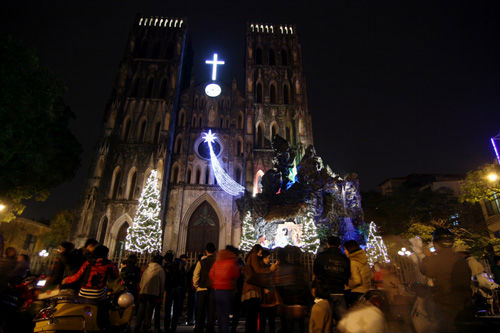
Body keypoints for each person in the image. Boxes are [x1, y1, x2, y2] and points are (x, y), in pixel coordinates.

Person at [420, 228, 472, 332]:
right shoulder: (459, 258)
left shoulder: (436, 259)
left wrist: (427, 255)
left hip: (446, 307)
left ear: (436, 243)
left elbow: (423, 269)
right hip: (464, 305)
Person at [273, 246, 311, 333]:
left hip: (287, 302)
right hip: (299, 302)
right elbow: (305, 284)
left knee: (288, 325)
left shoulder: (281, 269)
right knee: (300, 325)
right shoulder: (300, 269)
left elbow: (277, 285)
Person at [313, 236, 350, 324]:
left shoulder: (321, 257)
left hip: (324, 291)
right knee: (343, 321)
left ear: (328, 244)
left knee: (324, 320)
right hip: (339, 290)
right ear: (339, 245)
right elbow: (347, 274)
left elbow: (316, 272)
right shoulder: (344, 258)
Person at [241, 244, 275, 333]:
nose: (260, 254)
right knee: (252, 316)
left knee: (251, 316)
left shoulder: (249, 258)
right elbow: (258, 270)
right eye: (260, 252)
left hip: (249, 290)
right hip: (252, 290)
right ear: (258, 250)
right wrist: (270, 269)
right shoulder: (253, 256)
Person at [209, 247, 240, 333]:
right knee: (225, 314)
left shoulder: (217, 262)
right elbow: (236, 274)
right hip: (227, 290)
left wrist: (216, 282)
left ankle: (221, 329)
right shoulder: (231, 261)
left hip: (217, 290)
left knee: (220, 313)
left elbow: (211, 274)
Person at [135, 253, 166, 333]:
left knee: (141, 309)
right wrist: (161, 294)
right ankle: (147, 326)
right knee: (149, 310)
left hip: (143, 291)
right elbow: (162, 283)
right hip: (153, 292)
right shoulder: (160, 269)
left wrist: (141, 289)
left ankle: (137, 326)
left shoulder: (147, 268)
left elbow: (142, 280)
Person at [193, 242, 217, 333]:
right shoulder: (217, 262)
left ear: (206, 251)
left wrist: (196, 285)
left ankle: (199, 329)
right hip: (213, 289)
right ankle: (210, 329)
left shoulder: (201, 262)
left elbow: (196, 274)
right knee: (211, 312)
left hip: (202, 289)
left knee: (200, 312)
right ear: (214, 251)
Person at [343, 240, 373, 307]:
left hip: (357, 292)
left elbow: (356, 281)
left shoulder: (353, 262)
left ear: (349, 249)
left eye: (345, 249)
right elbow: (371, 276)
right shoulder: (364, 260)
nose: (344, 252)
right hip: (367, 291)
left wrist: (347, 284)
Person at [258, 249, 279, 333]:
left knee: (271, 321)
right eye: (266, 258)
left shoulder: (270, 267)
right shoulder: (261, 268)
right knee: (263, 320)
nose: (268, 260)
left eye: (269, 258)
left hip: (271, 297)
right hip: (263, 298)